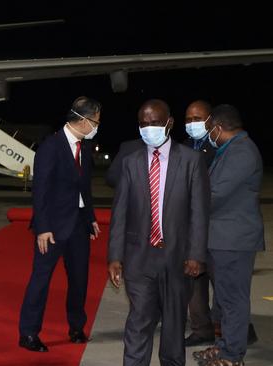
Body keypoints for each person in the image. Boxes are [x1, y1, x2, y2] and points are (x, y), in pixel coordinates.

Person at [108, 99, 209, 366]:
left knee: (174, 327)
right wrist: (115, 256)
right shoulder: (130, 162)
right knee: (138, 322)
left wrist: (196, 253)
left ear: (169, 123)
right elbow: (120, 212)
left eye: (154, 123)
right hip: (139, 258)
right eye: (143, 124)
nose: (148, 129)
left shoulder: (191, 160)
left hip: (177, 258)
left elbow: (199, 211)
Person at [18, 96, 102, 353]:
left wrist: (90, 218)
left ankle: (76, 327)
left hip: (78, 224)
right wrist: (43, 227)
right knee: (41, 280)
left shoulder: (84, 147)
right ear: (84, 120)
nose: (98, 125)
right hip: (52, 227)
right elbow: (40, 190)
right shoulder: (50, 146)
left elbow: (83, 188)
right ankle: (29, 333)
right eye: (97, 121)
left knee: (80, 280)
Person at [193, 105, 264, 366]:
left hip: (233, 240)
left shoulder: (242, 151)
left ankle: (233, 355)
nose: (208, 133)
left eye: (210, 128)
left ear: (219, 128)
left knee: (233, 299)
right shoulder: (230, 150)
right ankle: (225, 347)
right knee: (223, 299)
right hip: (223, 238)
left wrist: (184, 205)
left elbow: (214, 196)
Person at [183, 100, 218, 347]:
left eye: (197, 118)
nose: (191, 123)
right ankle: (201, 329)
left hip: (214, 226)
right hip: (191, 227)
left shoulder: (219, 147)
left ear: (210, 120)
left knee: (222, 283)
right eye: (188, 119)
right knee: (194, 282)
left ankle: (234, 328)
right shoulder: (183, 147)